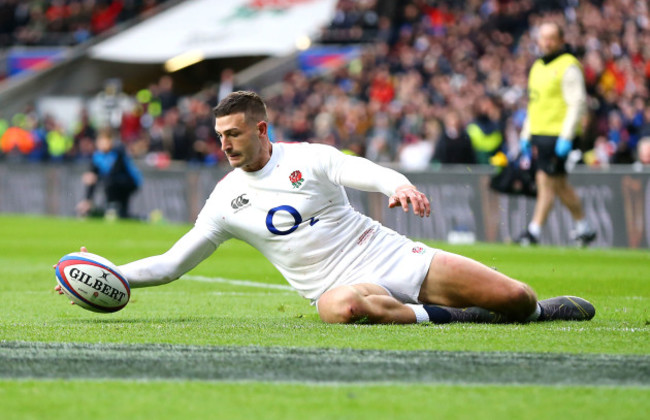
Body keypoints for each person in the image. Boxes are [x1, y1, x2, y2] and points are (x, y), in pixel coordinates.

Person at [58, 91, 595, 325]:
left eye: (234, 134)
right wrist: (106, 273)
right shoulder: (226, 199)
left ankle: (529, 308)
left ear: (261, 129)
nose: (224, 145)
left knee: (519, 302)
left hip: (391, 256)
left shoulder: (308, 158)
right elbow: (173, 264)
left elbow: (358, 168)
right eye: (219, 136)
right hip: (340, 288)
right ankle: (450, 317)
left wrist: (396, 185)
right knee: (344, 310)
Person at [517, 22, 596, 247]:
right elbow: (534, 104)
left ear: (561, 40)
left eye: (551, 37)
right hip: (540, 134)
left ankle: (533, 231)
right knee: (559, 185)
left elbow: (577, 102)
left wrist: (567, 135)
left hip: (558, 135)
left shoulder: (568, 65)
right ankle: (584, 227)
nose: (547, 42)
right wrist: (526, 133)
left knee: (546, 181)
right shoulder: (537, 67)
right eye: (543, 37)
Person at [76, 128, 142, 219]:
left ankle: (111, 207)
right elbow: (93, 176)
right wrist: (88, 198)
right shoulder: (97, 156)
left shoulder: (118, 152)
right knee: (92, 179)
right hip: (114, 183)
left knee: (110, 183)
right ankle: (88, 204)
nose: (101, 143)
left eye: (104, 140)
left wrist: (97, 178)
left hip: (129, 183)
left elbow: (114, 173)